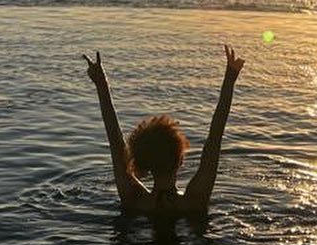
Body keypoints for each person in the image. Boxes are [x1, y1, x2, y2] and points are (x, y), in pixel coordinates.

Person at [82, 44, 244, 217]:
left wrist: (101, 85)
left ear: (141, 163)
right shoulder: (194, 200)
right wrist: (230, 79)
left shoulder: (133, 199)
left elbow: (116, 143)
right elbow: (214, 139)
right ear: (180, 159)